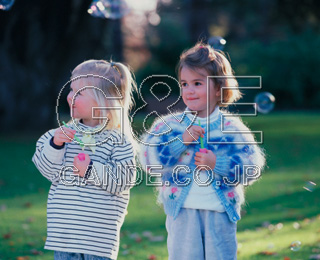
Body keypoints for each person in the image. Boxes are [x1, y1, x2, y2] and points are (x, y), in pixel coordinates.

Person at [139, 43, 266, 260]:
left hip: (220, 212)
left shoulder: (232, 128)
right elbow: (148, 160)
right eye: (184, 83)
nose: (189, 90)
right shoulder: (169, 125)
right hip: (182, 211)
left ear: (219, 88)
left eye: (197, 83)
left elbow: (252, 167)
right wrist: (181, 142)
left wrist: (219, 164)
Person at [32, 60, 137, 260]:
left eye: (79, 93)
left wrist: (89, 169)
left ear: (103, 101)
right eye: (71, 90)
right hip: (64, 235)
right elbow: (47, 169)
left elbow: (124, 180)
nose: (70, 97)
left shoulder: (118, 140)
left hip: (97, 240)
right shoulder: (61, 134)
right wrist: (56, 145)